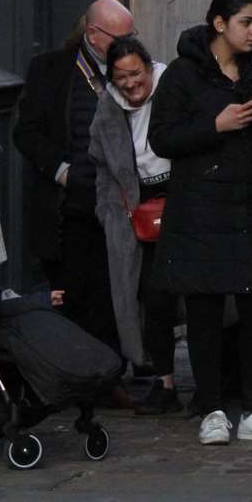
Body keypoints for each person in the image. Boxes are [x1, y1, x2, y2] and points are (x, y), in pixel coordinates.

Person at [149, 0, 252, 446]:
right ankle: (212, 408)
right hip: (198, 206)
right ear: (220, 24)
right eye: (246, 22)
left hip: (250, 203)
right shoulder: (182, 74)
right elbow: (162, 138)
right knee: (204, 308)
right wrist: (215, 125)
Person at [14, 0, 136, 369]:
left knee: (117, 293)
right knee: (76, 293)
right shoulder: (49, 70)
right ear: (93, 34)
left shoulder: (133, 67)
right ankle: (79, 373)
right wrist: (62, 172)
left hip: (119, 203)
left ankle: (113, 372)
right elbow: (27, 132)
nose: (127, 45)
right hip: (69, 205)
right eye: (119, 36)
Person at [88, 36, 177, 414]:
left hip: (181, 199)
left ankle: (212, 379)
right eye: (121, 76)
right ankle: (163, 380)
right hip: (134, 210)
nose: (130, 83)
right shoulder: (108, 107)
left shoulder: (173, 87)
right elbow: (101, 165)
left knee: (196, 292)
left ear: (148, 66)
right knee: (150, 295)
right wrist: (109, 212)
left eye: (135, 73)